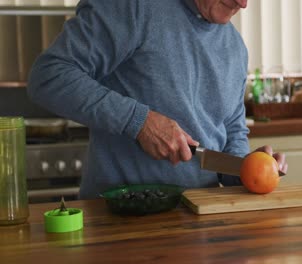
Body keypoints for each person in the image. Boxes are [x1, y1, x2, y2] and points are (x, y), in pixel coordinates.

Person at [27, 0, 288, 199]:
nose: (243, 3)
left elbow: (232, 132)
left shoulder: (235, 48)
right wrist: (139, 122)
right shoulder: (134, 6)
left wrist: (248, 167)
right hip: (117, 220)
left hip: (200, 222)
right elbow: (49, 76)